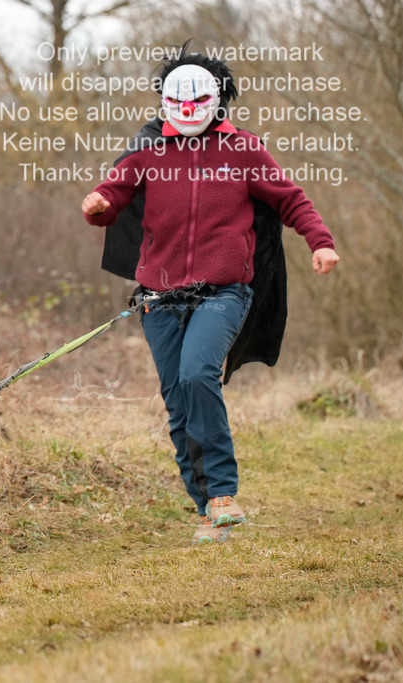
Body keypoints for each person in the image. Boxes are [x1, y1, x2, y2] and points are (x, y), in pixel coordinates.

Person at [81, 45, 339, 544]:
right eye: (178, 101)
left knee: (199, 374)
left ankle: (223, 493)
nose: (188, 109)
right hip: (159, 298)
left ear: (217, 98)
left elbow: (291, 199)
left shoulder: (244, 149)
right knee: (178, 400)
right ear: (165, 101)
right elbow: (115, 193)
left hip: (224, 292)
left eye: (199, 99)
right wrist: (98, 204)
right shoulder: (151, 149)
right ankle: (208, 508)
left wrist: (321, 242)